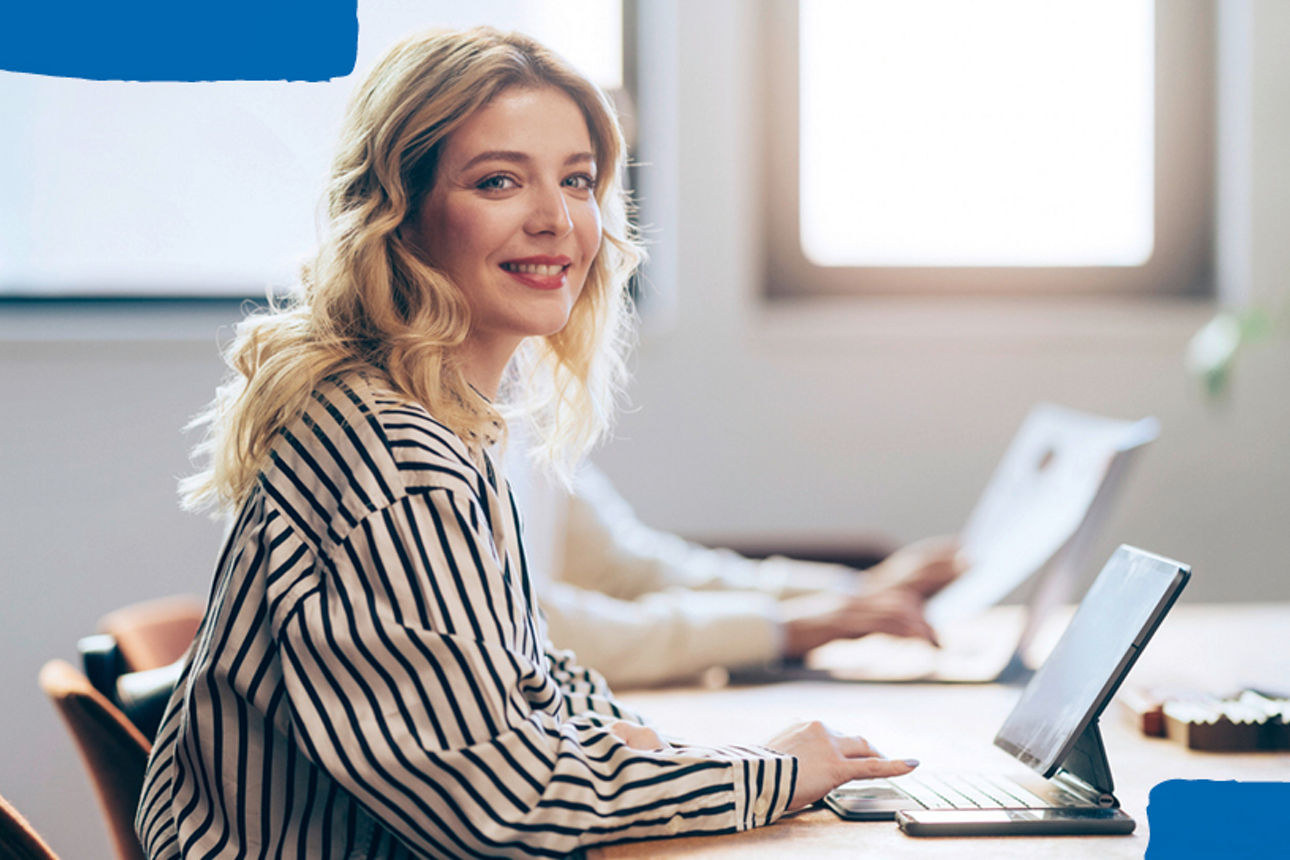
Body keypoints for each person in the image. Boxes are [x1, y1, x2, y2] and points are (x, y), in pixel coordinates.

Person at [135, 26, 920, 860]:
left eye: (577, 181)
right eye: (499, 181)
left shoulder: (440, 421)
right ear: (400, 213)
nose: (555, 220)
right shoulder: (397, 454)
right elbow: (501, 805)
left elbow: (529, 677)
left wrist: (680, 754)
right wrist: (760, 775)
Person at [511, 454, 964, 689]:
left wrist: (852, 592)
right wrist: (780, 628)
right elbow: (529, 629)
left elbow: (630, 569)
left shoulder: (527, 386)